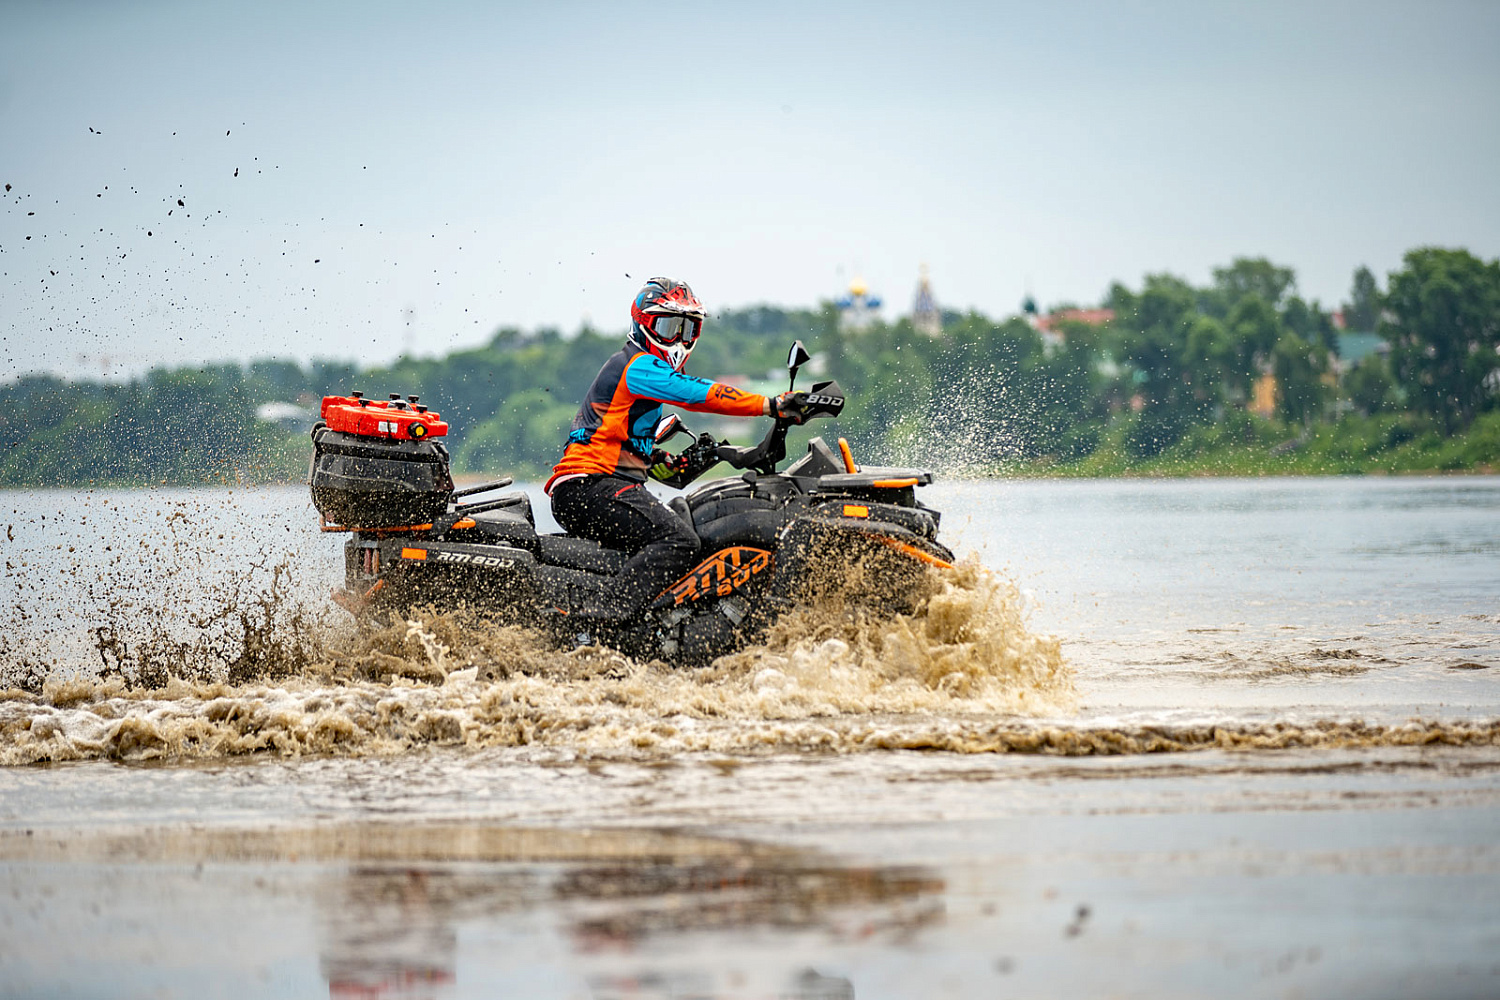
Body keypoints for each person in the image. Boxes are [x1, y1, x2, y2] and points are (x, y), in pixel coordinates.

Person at [545, 277, 807, 623]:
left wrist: (700, 457)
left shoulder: (640, 386)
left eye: (689, 329)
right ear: (643, 324)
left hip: (599, 486)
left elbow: (655, 468)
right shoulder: (636, 365)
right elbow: (694, 393)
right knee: (678, 540)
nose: (680, 340)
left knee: (681, 521)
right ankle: (606, 615)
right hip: (590, 487)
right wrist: (769, 404)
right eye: (670, 327)